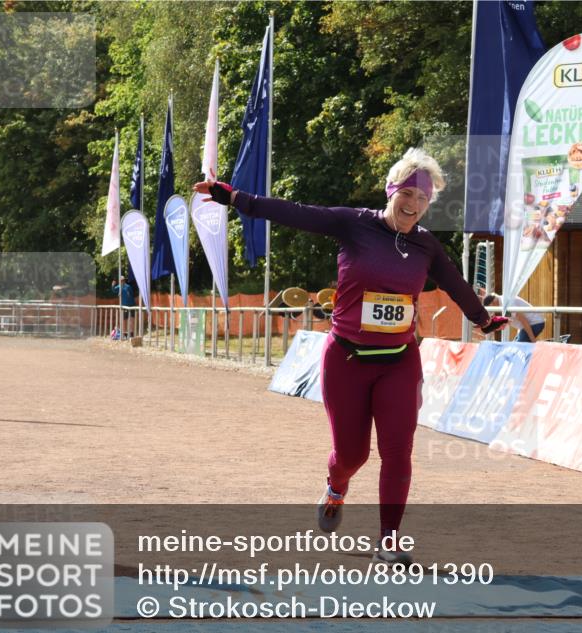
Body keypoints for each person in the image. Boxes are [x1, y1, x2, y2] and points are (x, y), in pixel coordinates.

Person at [194, 148, 507, 565]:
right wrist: (234, 198)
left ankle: (389, 541)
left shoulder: (427, 246)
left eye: (423, 199)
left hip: (398, 360)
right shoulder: (353, 224)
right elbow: (295, 211)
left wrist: (483, 321)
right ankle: (336, 486)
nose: (414, 206)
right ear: (391, 190)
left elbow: (456, 285)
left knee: (398, 451)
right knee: (353, 455)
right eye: (408, 195)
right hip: (346, 360)